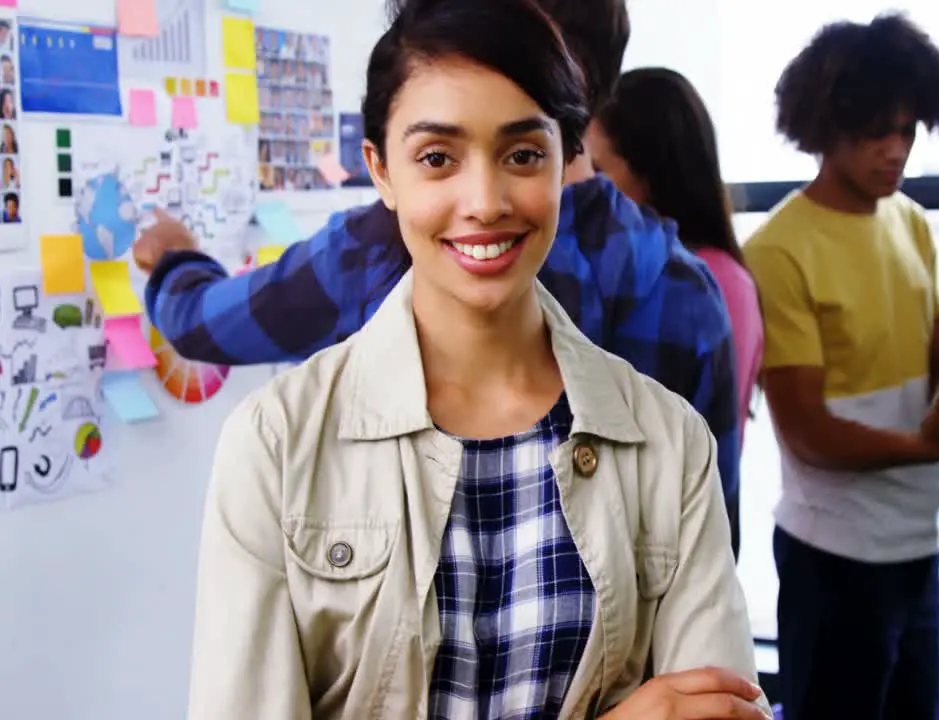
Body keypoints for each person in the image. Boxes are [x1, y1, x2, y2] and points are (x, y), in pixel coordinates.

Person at [186, 1, 769, 718]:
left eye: (523, 154)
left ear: (567, 158)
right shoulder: (277, 445)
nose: (485, 202)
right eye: (438, 158)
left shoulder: (670, 444)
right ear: (381, 169)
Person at [133, 0, 744, 558]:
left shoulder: (381, 244)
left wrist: (175, 260)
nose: (483, 204)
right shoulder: (688, 288)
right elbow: (718, 540)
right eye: (437, 158)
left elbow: (206, 322)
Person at [742, 14, 939, 720]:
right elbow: (807, 431)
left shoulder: (908, 220)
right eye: (874, 131)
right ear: (824, 125)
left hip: (917, 544)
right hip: (834, 558)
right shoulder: (780, 249)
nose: (895, 151)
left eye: (907, 131)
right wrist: (926, 444)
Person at [586, 66, 764, 549]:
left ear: (651, 171)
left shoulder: (702, 286)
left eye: (600, 172)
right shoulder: (632, 274)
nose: (586, 191)